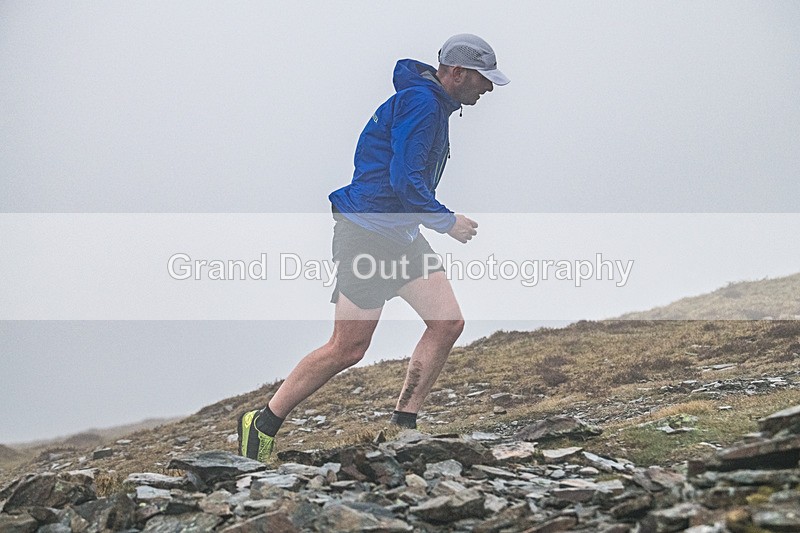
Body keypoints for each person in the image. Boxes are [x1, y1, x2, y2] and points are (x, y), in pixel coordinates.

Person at [238, 34, 509, 463]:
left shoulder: (432, 104)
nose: (489, 87)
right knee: (347, 347)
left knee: (447, 323)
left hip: (401, 236)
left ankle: (403, 425)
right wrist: (446, 221)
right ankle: (262, 423)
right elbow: (404, 180)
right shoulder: (422, 105)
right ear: (457, 73)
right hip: (367, 234)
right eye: (483, 78)